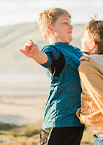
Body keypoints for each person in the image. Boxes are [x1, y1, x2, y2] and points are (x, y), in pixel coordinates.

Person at [20, 7, 84, 145]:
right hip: (58, 122)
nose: (71, 26)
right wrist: (36, 54)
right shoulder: (54, 50)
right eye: (65, 23)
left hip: (77, 123)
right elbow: (47, 59)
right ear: (51, 28)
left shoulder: (77, 52)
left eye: (70, 22)